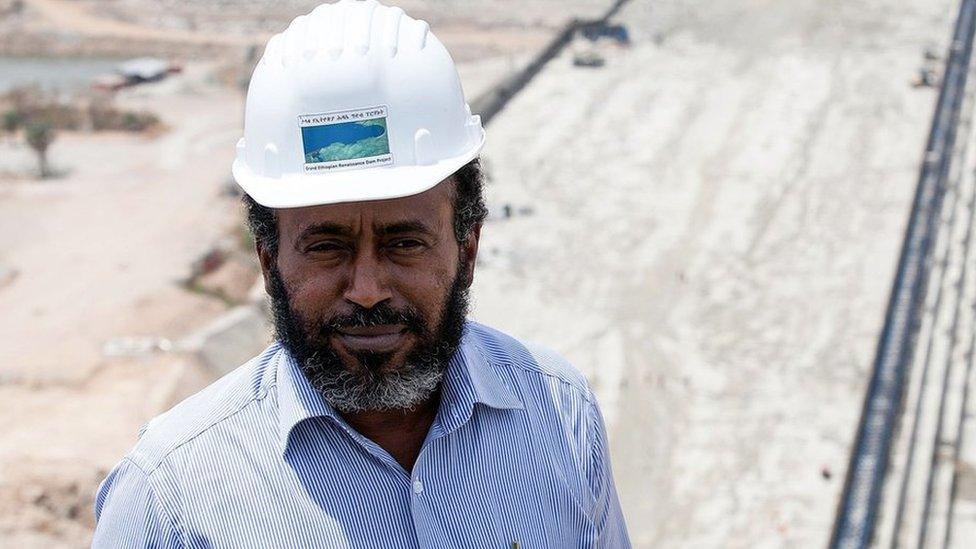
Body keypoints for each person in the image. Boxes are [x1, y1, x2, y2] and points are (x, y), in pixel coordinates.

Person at [92, 1, 630, 547]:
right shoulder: (168, 499)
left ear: (467, 247)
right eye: (328, 247)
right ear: (268, 259)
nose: (367, 290)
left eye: (404, 243)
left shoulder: (558, 412)